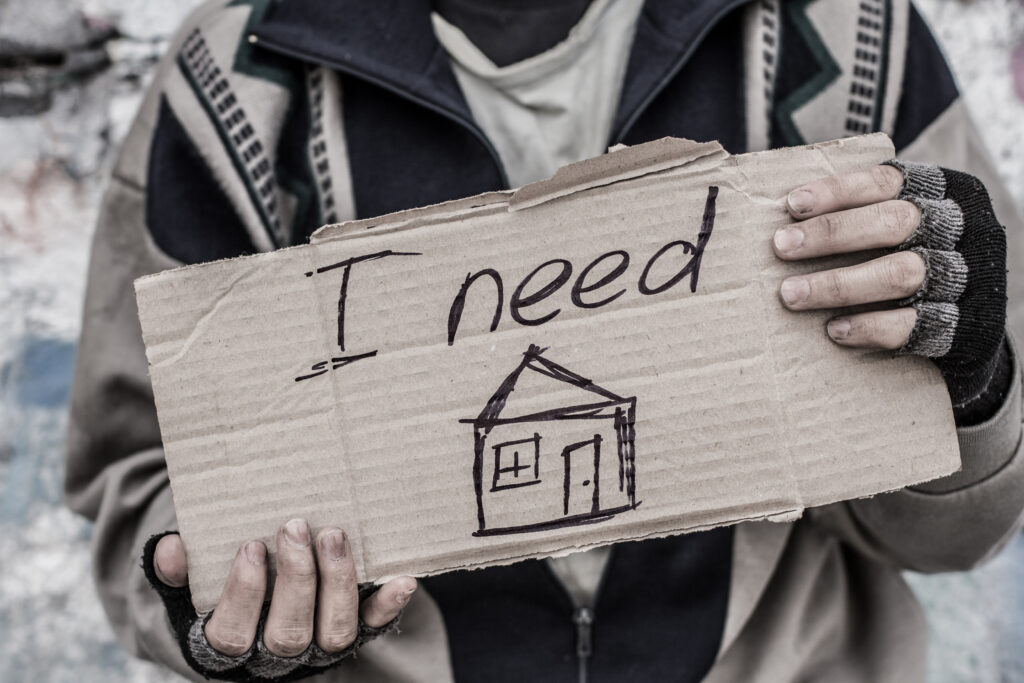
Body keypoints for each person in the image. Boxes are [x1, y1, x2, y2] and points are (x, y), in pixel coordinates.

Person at [65, 0, 1024, 681]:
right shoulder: (236, 81)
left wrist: (967, 375)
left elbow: (963, 527)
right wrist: (226, 613)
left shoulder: (848, 36)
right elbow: (142, 488)